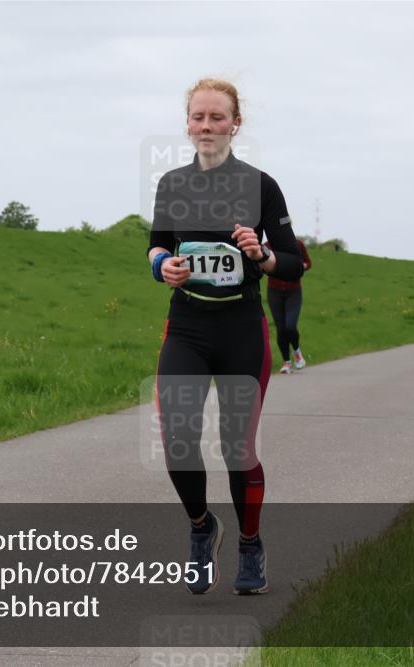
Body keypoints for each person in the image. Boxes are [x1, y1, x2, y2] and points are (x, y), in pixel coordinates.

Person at [148, 78, 303, 596]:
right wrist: (163, 267)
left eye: (217, 117)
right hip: (187, 327)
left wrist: (260, 255)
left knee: (238, 449)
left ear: (235, 124)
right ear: (187, 124)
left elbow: (294, 261)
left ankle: (251, 544)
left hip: (241, 328)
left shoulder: (260, 185)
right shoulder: (171, 184)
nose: (207, 126)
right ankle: (200, 528)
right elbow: (155, 247)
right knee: (177, 443)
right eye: (198, 117)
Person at [265, 238, 311, 373]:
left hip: (293, 290)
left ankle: (297, 352)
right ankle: (286, 363)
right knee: (281, 329)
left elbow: (308, 262)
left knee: (290, 326)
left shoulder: (297, 244)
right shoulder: (267, 246)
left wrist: (302, 266)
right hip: (274, 291)